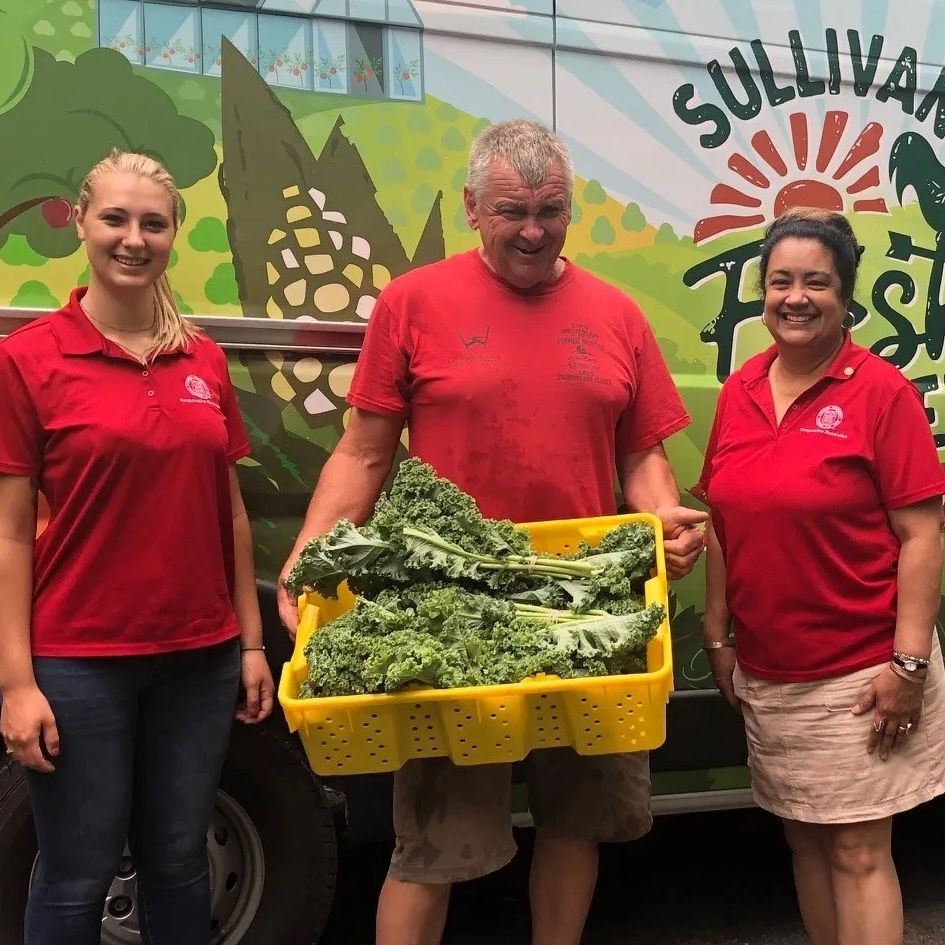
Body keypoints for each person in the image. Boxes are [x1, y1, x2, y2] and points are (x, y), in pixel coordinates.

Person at [277, 119, 706, 945]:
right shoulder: (413, 302)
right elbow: (363, 452)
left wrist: (662, 520)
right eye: (513, 211)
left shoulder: (616, 314)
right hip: (450, 617)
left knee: (575, 822)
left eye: (551, 210)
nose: (534, 231)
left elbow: (641, 453)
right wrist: (308, 552)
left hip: (581, 607)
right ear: (472, 208)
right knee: (432, 845)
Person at [0, 150, 274, 945]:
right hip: (79, 661)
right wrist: (16, 682)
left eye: (153, 223)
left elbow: (230, 514)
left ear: (173, 235)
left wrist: (250, 644)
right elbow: (10, 531)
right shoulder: (29, 360)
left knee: (179, 859)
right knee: (77, 871)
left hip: (200, 658)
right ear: (82, 224)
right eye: (115, 218)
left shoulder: (204, 358)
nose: (133, 238)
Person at [696, 207, 945, 945]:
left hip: (862, 673)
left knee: (856, 850)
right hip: (771, 671)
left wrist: (908, 665)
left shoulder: (881, 393)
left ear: (844, 297)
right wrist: (717, 634)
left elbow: (922, 535)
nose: (795, 297)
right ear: (762, 292)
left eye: (816, 282)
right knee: (802, 837)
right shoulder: (740, 390)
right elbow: (721, 518)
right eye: (780, 282)